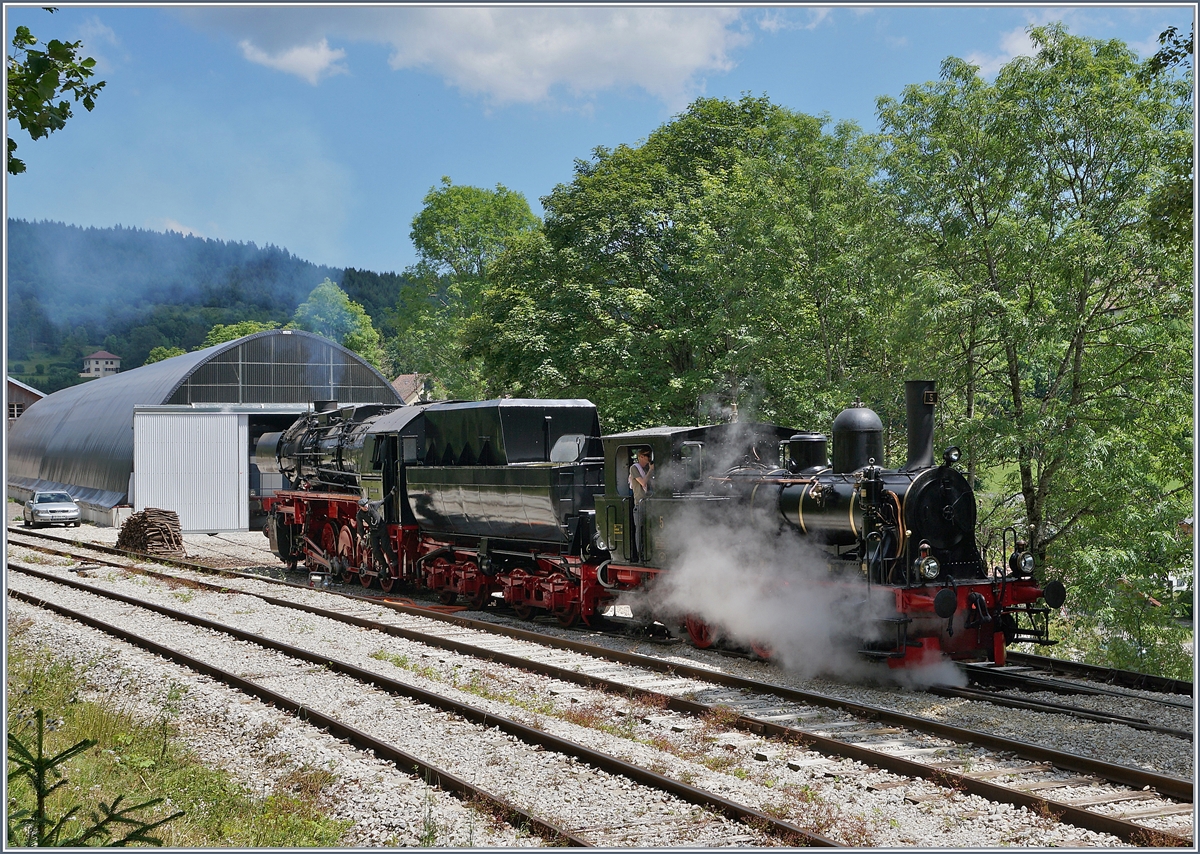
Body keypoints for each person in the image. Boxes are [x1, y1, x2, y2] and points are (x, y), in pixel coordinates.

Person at [628, 448, 653, 560]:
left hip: (648, 503)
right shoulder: (634, 468)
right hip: (639, 503)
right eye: (648, 456)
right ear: (641, 457)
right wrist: (651, 471)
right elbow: (643, 482)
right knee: (640, 529)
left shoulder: (646, 469)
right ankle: (640, 555)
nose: (649, 458)